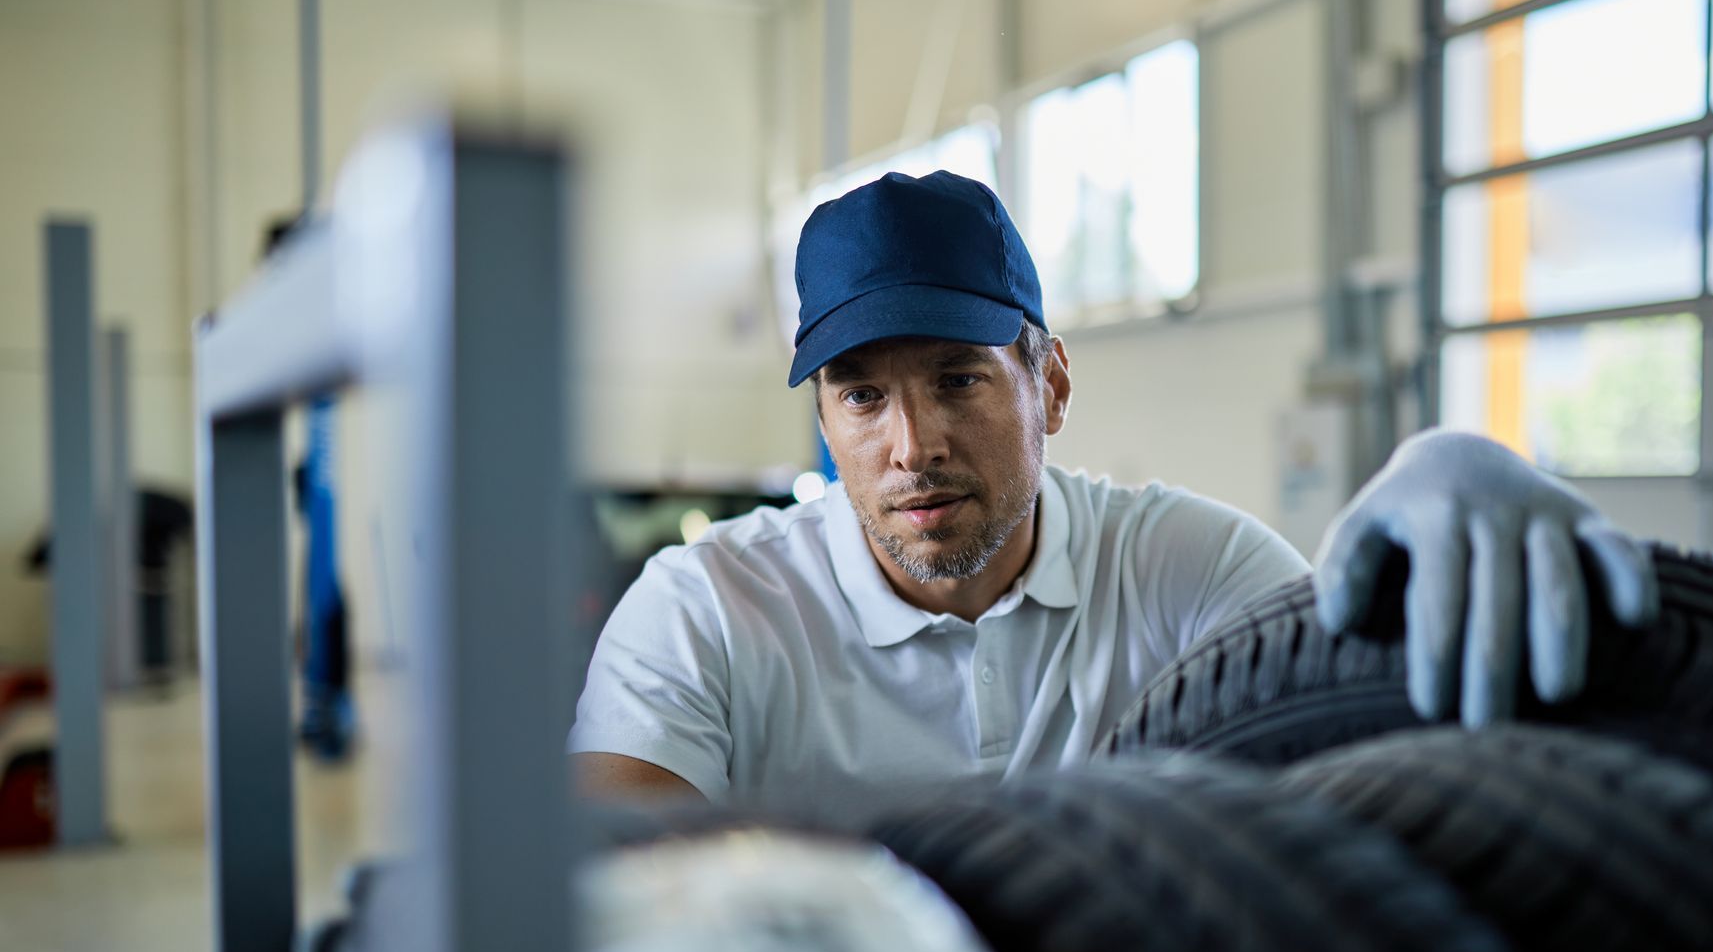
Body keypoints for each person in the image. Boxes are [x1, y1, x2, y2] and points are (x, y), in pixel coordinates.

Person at [569, 171, 1655, 819]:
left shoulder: (1188, 572)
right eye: (863, 396)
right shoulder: (707, 611)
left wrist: (1447, 475)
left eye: (959, 378)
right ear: (825, 421)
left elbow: (1371, 767)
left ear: (1049, 382)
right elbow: (608, 903)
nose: (914, 444)